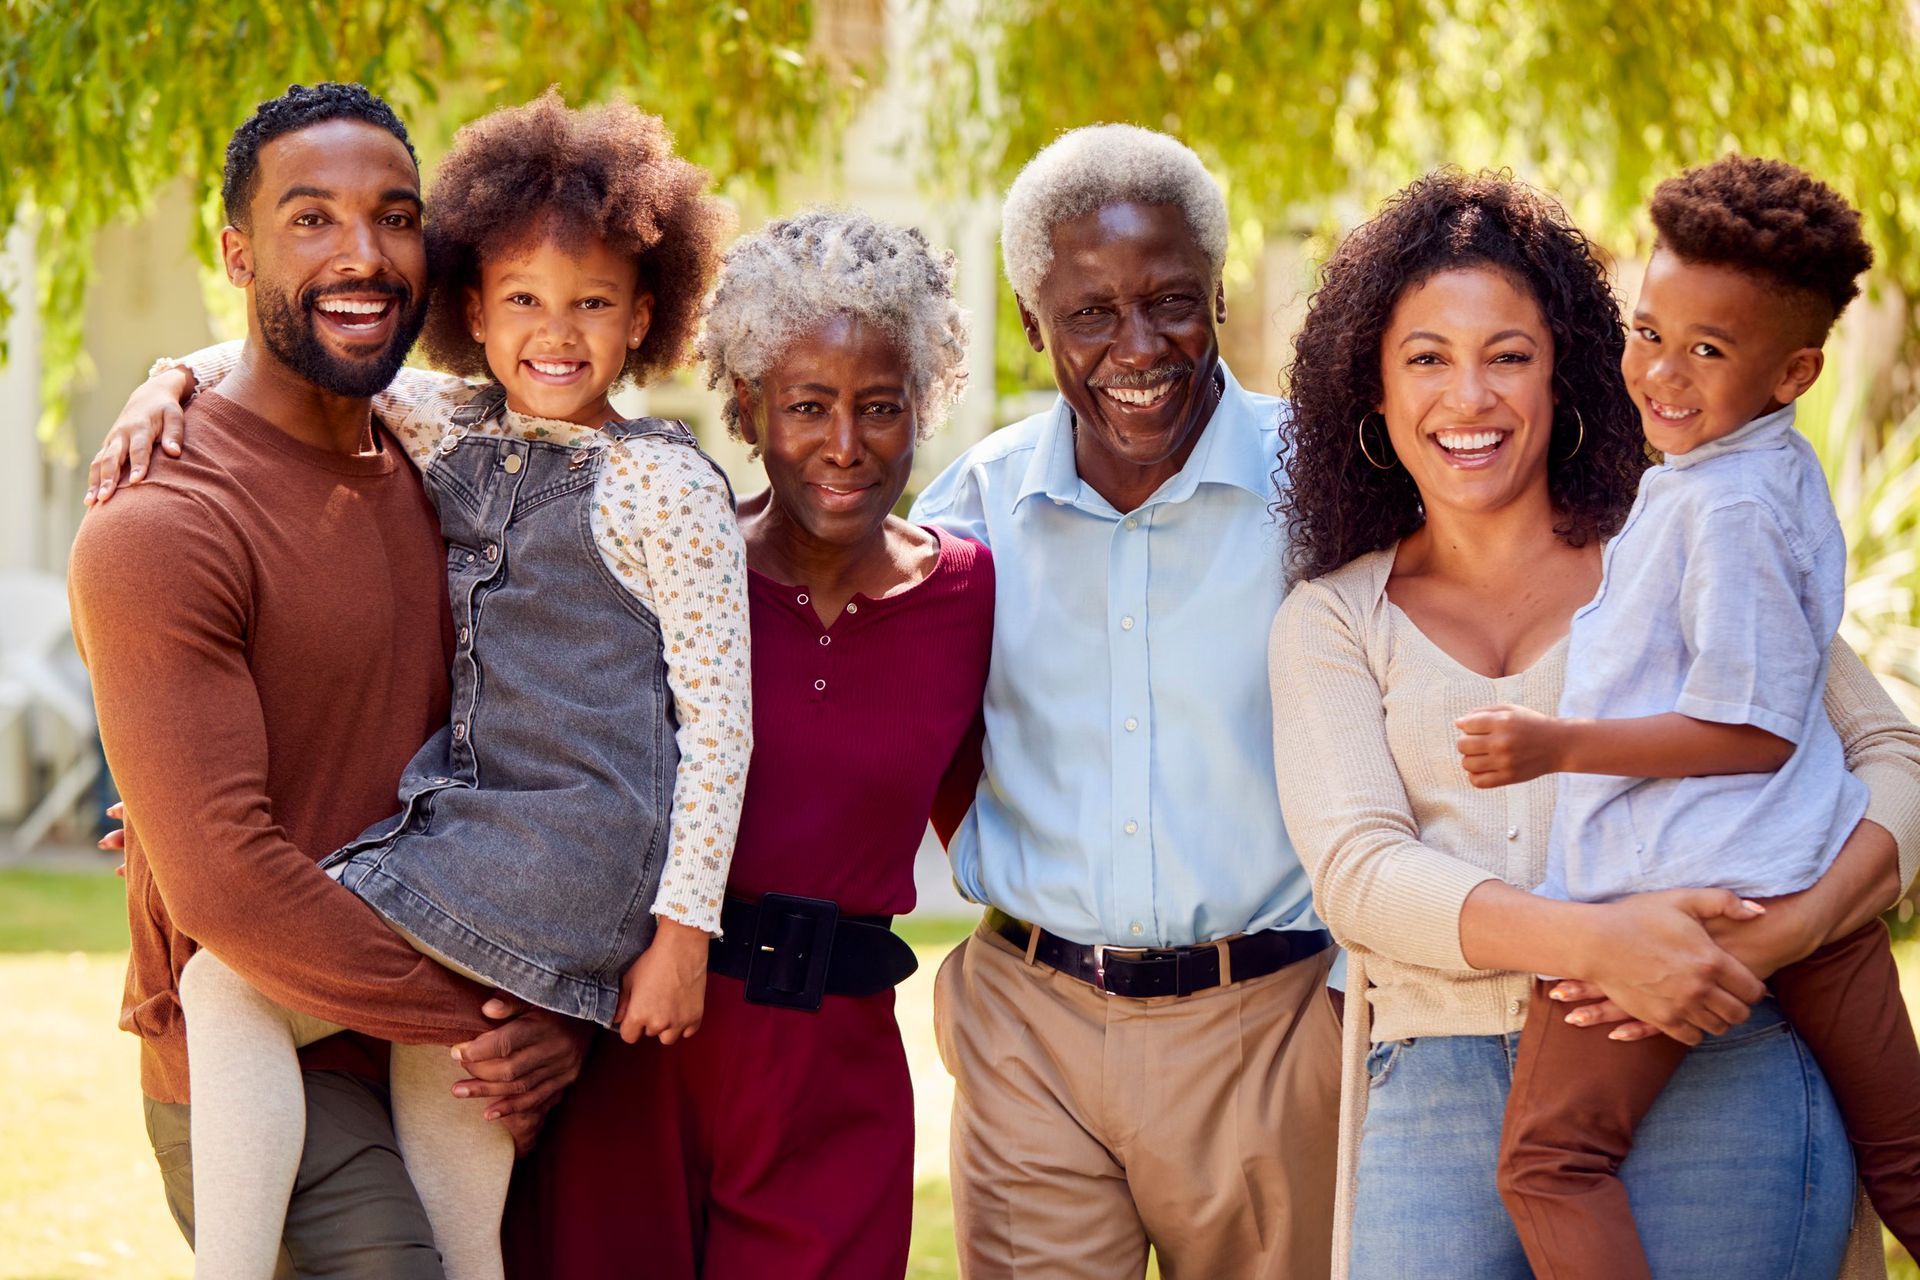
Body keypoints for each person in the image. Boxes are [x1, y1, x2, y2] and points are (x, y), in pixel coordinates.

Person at [91, 90, 747, 1279]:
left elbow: (717, 720)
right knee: (262, 1004)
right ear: (477, 315)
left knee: (245, 1005)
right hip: (420, 932)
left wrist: (663, 941)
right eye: (525, 302)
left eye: (394, 217)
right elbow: (226, 881)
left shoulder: (582, 469)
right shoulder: (434, 432)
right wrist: (162, 378)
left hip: (525, 865)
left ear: (646, 315)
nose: (557, 331)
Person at [1269, 168, 1920, 1280]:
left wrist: (1775, 936)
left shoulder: (1686, 542)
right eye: (1427, 358)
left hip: (1715, 1042)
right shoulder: (1334, 618)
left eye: (1508, 356)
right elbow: (1361, 869)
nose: (1468, 399)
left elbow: (1893, 755)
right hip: (1438, 1069)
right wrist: (1596, 940)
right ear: (1372, 392)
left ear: (1565, 372)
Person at [504, 209, 990, 1279]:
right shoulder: (667, 559)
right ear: (746, 408)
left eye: (880, 406)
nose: (846, 444)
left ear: (925, 405)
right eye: (807, 406)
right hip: (634, 1052)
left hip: (833, 1078)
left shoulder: (971, 594)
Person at [1466, 155, 1920, 1278]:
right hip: (1803, 866)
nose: (1662, 372)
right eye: (1647, 329)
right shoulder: (1749, 471)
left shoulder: (1728, 507)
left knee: (1549, 1159)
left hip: (1682, 891)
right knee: (1909, 1155)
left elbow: (1752, 727)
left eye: (1707, 351)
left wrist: (1556, 743)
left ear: (1795, 370)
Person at [911, 124, 1341, 1279]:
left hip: (1276, 1018)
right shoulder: (975, 507)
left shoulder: (1326, 493)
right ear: (1031, 324)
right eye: (1090, 313)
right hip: (1034, 1032)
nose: (1137, 346)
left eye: (1171, 302)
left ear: (1218, 292)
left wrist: (1344, 1004)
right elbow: (904, 734)